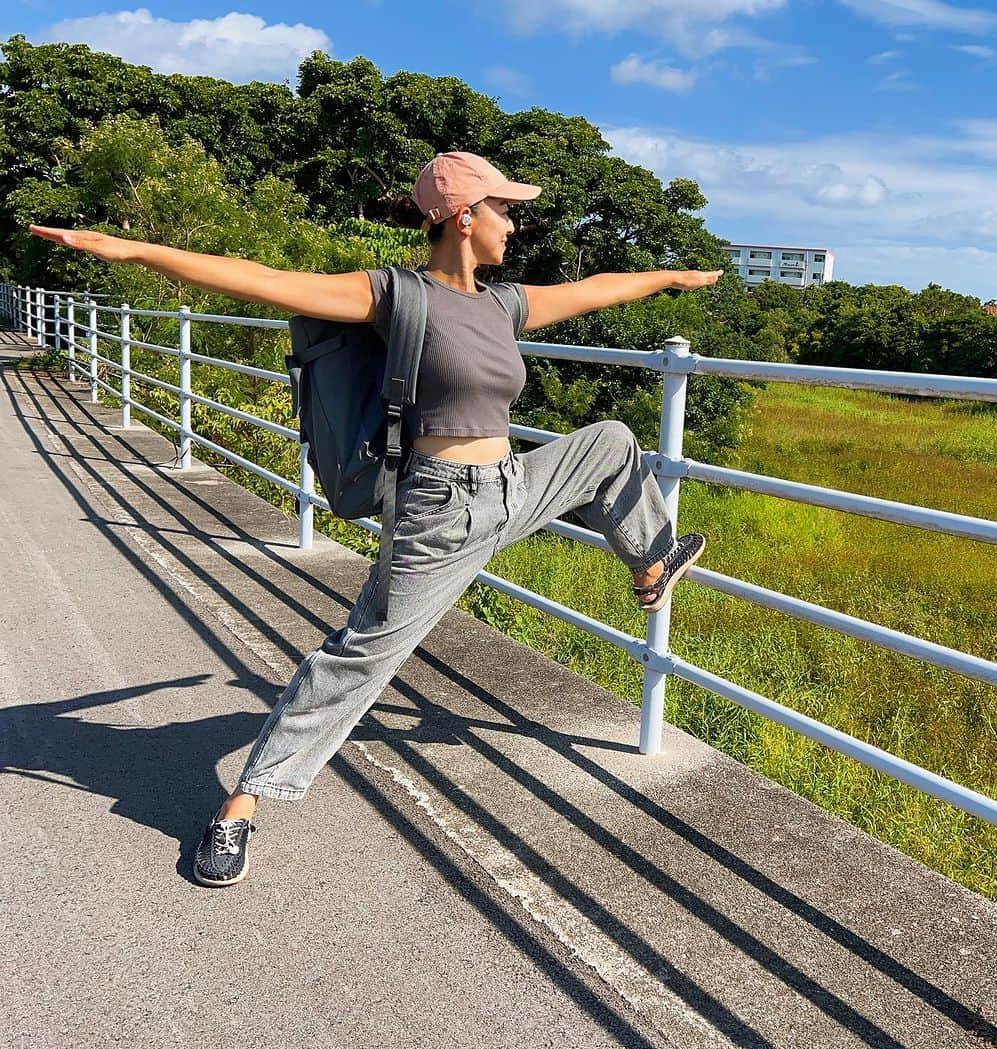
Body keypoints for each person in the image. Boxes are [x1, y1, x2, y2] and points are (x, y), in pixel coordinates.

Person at [30, 150, 721, 887]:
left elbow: (595, 290)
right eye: (504, 210)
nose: (513, 225)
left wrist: (672, 278)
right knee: (357, 659)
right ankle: (240, 808)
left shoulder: (504, 304)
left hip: (512, 485)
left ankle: (649, 562)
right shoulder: (397, 296)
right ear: (464, 216)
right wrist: (128, 247)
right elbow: (262, 281)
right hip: (440, 509)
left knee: (612, 441)